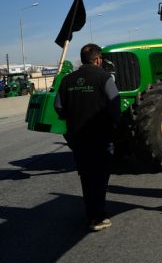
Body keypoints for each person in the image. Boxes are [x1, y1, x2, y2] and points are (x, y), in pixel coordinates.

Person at [54, 44, 120, 232]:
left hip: (78, 139)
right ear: (98, 59)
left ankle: (92, 213)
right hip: (101, 137)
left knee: (86, 176)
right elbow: (115, 105)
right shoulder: (104, 77)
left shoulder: (67, 80)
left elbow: (58, 107)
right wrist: (114, 124)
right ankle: (97, 217)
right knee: (100, 177)